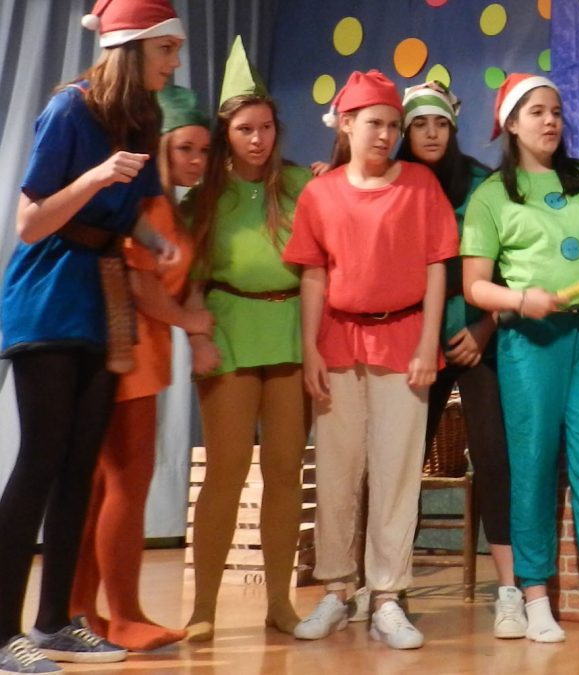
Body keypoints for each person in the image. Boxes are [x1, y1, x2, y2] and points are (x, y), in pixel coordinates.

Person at [0, 0, 185, 671]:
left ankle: (55, 621)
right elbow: (30, 223)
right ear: (131, 48)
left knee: (80, 467)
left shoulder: (144, 117)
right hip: (47, 299)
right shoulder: (69, 110)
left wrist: (154, 240)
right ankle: (2, 633)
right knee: (41, 460)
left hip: (100, 300)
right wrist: (95, 176)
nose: (175, 62)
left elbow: (124, 214)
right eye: (166, 49)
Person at [461, 73, 579, 649]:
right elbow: (474, 286)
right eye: (537, 111)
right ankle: (535, 596)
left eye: (556, 111)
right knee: (533, 465)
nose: (550, 121)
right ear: (512, 124)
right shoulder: (492, 196)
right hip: (530, 343)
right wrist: (521, 300)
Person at [284, 70, 458, 650]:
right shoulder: (320, 193)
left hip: (402, 338)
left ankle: (387, 595)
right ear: (347, 124)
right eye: (374, 123)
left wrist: (428, 342)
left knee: (396, 471)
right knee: (337, 470)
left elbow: (437, 267)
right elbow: (314, 274)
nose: (385, 135)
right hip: (337, 341)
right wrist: (309, 346)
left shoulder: (420, 186)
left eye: (392, 125)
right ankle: (337, 590)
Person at [69, 85, 212, 652]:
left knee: (105, 485)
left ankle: (82, 608)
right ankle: (123, 613)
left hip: (139, 351)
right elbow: (137, 281)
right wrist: (190, 321)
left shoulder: (166, 206)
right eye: (185, 149)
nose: (197, 160)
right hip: (127, 351)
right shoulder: (148, 205)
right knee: (126, 482)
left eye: (203, 150)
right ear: (160, 148)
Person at [183, 36, 311, 642]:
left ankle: (280, 603)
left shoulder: (301, 186)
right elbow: (191, 280)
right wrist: (198, 340)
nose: (257, 139)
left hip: (291, 333)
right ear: (226, 134)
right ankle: (203, 608)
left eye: (264, 127)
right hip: (230, 333)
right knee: (227, 470)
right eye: (244, 130)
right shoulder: (205, 198)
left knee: (286, 471)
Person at [395, 80, 527, 639]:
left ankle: (511, 589)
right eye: (419, 124)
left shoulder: (484, 185)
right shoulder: (394, 181)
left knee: (494, 458)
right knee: (401, 464)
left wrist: (486, 325)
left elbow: (512, 262)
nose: (431, 134)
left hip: (477, 335)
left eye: (440, 124)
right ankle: (387, 589)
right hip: (413, 342)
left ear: (453, 128)